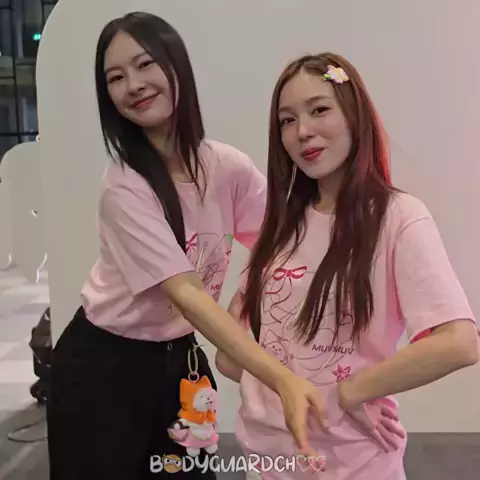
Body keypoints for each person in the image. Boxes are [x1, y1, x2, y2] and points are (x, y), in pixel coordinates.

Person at [45, 12, 327, 480]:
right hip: (103, 367)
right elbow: (188, 293)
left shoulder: (226, 167)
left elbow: (283, 242)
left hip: (181, 360)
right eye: (116, 77)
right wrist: (280, 377)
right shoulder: (124, 188)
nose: (134, 85)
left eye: (145, 64)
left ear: (176, 65)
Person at [215, 52, 479, 479]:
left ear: (354, 115)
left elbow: (460, 342)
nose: (303, 131)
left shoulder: (398, 218)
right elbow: (229, 356)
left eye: (319, 110)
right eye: (287, 120)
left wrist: (352, 391)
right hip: (265, 464)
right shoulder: (281, 227)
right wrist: (279, 383)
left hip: (352, 467)